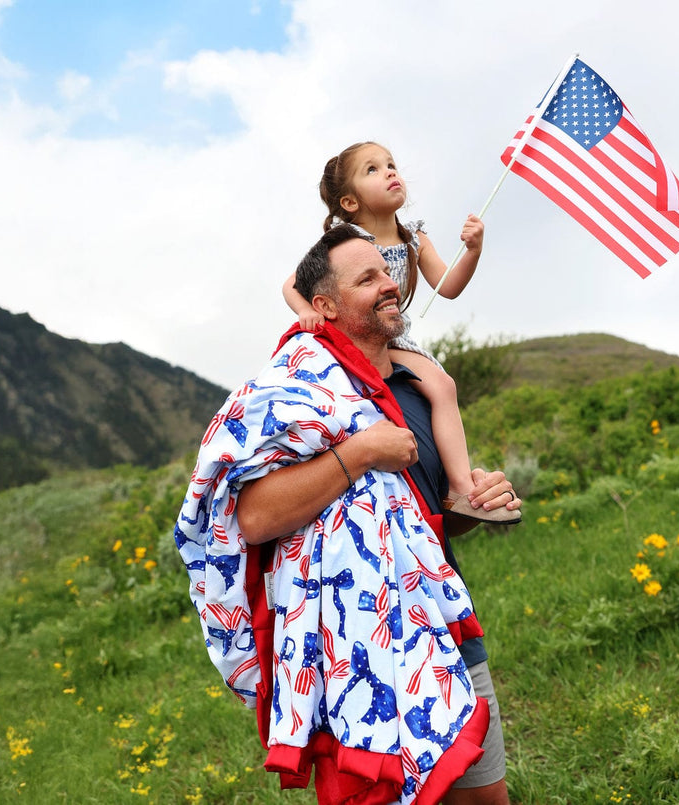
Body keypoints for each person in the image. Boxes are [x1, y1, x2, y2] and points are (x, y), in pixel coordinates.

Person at [175, 224, 519, 805]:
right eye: (367, 279)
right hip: (356, 647)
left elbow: (425, 519)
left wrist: (478, 503)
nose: (390, 284)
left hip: (440, 619)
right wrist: (359, 452)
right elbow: (253, 518)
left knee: (485, 799)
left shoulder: (416, 389)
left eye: (387, 272)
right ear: (325, 305)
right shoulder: (295, 391)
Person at [282, 141, 516, 525]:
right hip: (355, 332)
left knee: (443, 387)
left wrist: (472, 251)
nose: (390, 171)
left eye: (390, 164)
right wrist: (308, 311)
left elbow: (447, 286)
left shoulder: (413, 237)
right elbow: (292, 284)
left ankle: (459, 486)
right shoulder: (345, 241)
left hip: (392, 336)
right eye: (372, 169)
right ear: (349, 202)